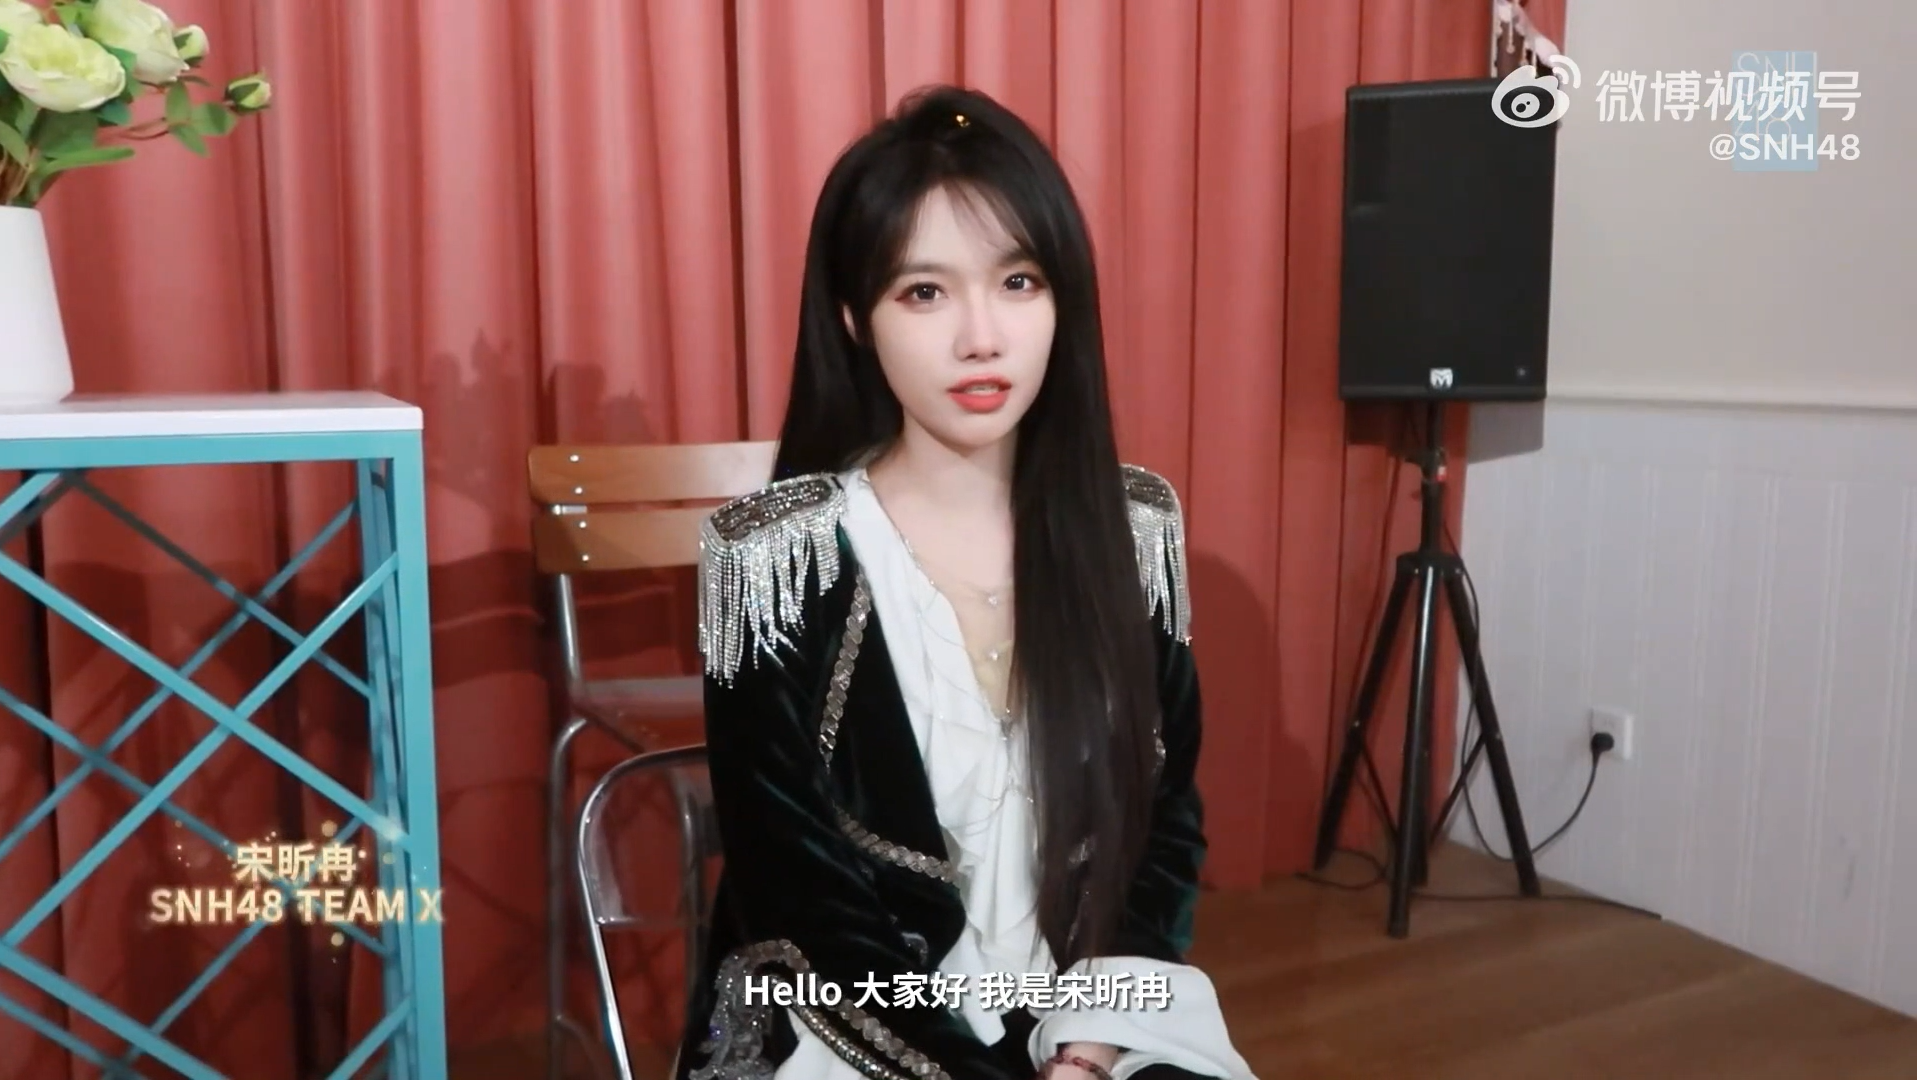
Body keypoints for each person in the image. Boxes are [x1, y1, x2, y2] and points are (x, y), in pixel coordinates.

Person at [676, 85, 1256, 1080]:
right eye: (924, 293)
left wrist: (1087, 1050)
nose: (980, 336)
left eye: (1018, 282)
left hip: (1083, 1010)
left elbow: (1163, 828)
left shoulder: (1132, 531)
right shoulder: (773, 562)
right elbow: (801, 899)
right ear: (856, 318)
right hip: (845, 1021)